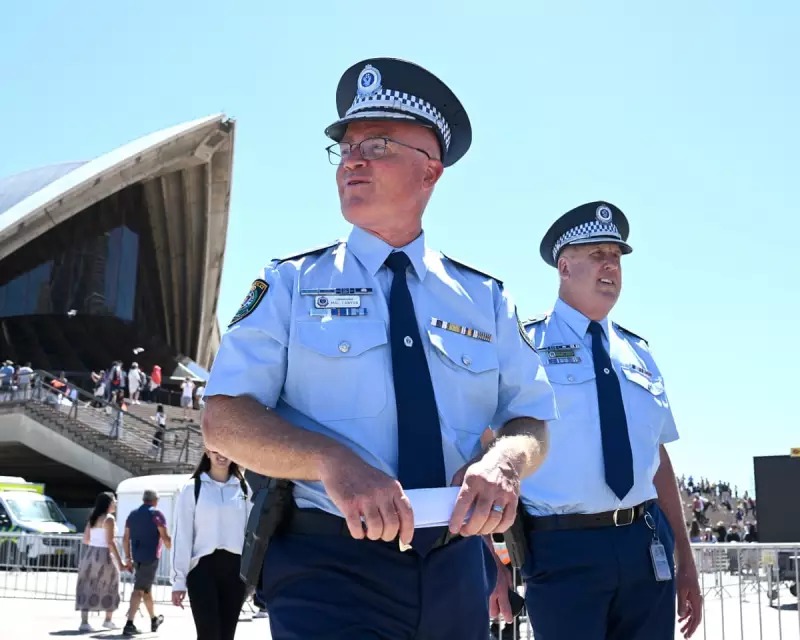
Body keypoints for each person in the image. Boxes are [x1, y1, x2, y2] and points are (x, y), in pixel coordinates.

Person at [202, 56, 558, 639]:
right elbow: (222, 421)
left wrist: (505, 461)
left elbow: (531, 417)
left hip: (455, 568)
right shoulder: (291, 284)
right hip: (328, 567)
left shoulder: (484, 298)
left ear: (431, 172)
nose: (353, 159)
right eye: (346, 148)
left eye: (379, 143)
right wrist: (329, 461)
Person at [510, 202, 703, 639]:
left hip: (644, 543)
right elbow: (487, 447)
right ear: (564, 266)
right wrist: (489, 559)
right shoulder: (525, 347)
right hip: (562, 547)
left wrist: (686, 560)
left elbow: (658, 462)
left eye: (616, 257)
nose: (610, 265)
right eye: (596, 254)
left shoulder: (639, 354)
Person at [171, 450, 253, 640]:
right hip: (202, 570)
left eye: (227, 450)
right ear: (207, 452)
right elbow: (182, 536)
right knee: (208, 634)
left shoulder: (243, 488)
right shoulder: (192, 488)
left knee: (227, 635)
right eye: (216, 450)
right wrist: (178, 580)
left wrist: (254, 578)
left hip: (235, 570)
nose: (222, 455)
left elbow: (251, 535)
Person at [121, 489, 172, 637]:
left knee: (146, 590)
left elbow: (125, 538)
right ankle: (129, 624)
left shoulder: (132, 515)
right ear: (156, 500)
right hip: (150, 557)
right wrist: (175, 552)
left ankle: (154, 619)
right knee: (139, 590)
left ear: (144, 499)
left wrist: (128, 558)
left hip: (137, 557)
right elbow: (165, 537)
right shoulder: (157, 515)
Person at [75, 491, 123, 632]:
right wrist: (121, 562)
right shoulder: (109, 519)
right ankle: (108, 620)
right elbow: (110, 542)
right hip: (105, 555)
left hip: (90, 553)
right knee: (111, 585)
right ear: (109, 503)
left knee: (87, 585)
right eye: (114, 500)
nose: (116, 503)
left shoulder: (93, 518)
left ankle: (84, 622)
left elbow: (86, 539)